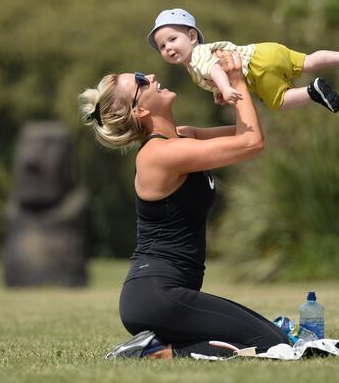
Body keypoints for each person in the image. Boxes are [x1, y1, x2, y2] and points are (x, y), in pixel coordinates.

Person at [79, 50, 290, 359]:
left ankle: (157, 350)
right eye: (140, 81)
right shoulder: (158, 156)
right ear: (138, 111)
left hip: (168, 295)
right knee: (275, 346)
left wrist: (233, 92)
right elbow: (251, 143)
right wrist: (235, 81)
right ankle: (154, 353)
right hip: (156, 296)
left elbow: (250, 132)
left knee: (277, 338)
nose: (150, 76)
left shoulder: (182, 138)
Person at [147, 8, 339, 113]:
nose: (168, 48)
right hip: (266, 50)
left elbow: (214, 69)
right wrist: (220, 93)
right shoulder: (198, 60)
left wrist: (224, 88)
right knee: (308, 61)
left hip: (257, 69)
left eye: (172, 39)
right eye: (162, 47)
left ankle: (313, 91)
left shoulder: (198, 56)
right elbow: (215, 74)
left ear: (192, 37)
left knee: (279, 102)